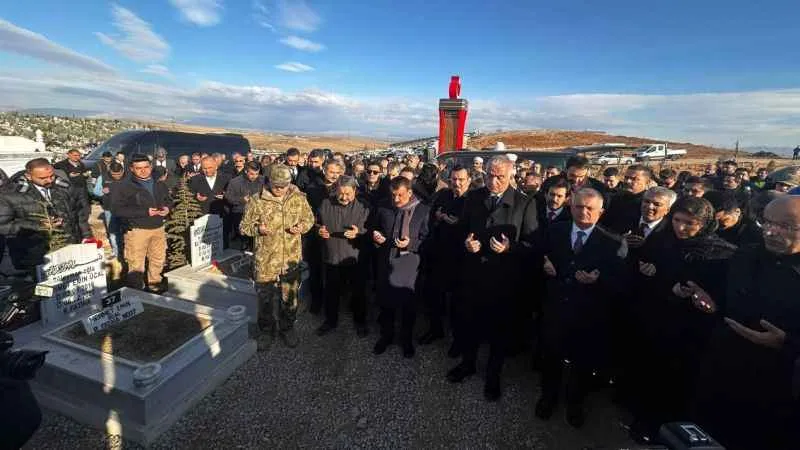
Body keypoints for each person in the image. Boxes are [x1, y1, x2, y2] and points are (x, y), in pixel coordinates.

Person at [685, 196, 800, 450]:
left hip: (778, 384)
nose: (771, 231)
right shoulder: (745, 255)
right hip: (724, 367)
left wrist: (786, 343)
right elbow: (727, 300)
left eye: (786, 226)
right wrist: (710, 303)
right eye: (767, 222)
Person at [626, 196, 736, 443]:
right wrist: (652, 277)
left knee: (680, 383)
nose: (681, 228)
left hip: (692, 333)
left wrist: (710, 301)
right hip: (656, 323)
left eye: (690, 223)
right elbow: (644, 277)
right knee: (651, 376)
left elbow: (729, 298)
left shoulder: (721, 254)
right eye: (677, 220)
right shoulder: (661, 241)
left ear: (705, 223)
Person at [446, 156, 538, 401]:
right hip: (474, 275)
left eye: (500, 177)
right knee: (470, 324)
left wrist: (510, 249)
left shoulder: (524, 203)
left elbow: (533, 244)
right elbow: (463, 228)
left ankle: (493, 376)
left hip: (503, 280)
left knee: (499, 331)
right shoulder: (474, 197)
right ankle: (468, 364)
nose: (493, 181)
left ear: (511, 177)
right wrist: (467, 242)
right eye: (489, 175)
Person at [535, 188, 625, 428]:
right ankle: (548, 397)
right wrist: (544, 265)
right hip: (556, 309)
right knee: (551, 358)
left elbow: (621, 282)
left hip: (588, 315)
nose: (583, 212)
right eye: (578, 207)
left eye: (590, 208)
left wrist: (599, 280)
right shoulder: (555, 231)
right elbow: (536, 255)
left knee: (581, 364)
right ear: (570, 206)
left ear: (601, 211)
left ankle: (575, 403)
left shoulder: (612, 242)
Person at [239, 164, 314, 350]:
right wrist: (257, 229)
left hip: (290, 259)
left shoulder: (298, 199)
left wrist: (301, 227)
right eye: (276, 186)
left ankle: (287, 328)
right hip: (266, 260)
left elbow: (310, 219)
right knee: (265, 298)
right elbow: (243, 227)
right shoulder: (257, 201)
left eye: (284, 185)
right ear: (269, 182)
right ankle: (266, 331)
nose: (280, 189)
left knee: (290, 297)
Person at [371, 176, 430, 358]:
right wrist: (376, 236)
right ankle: (386, 336)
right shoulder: (383, 206)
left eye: (400, 196)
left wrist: (410, 244)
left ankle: (406, 340)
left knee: (408, 306)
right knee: (386, 303)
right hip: (386, 262)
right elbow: (373, 227)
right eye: (393, 195)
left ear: (410, 192)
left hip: (409, 264)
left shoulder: (423, 209)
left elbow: (427, 238)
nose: (396, 200)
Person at [0, 158, 91, 272]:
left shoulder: (65, 187)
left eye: (51, 176)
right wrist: (38, 225)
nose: (49, 181)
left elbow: (79, 215)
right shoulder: (10, 195)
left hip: (68, 249)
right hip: (35, 257)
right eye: (42, 178)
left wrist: (86, 236)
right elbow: (3, 225)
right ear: (29, 176)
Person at [420, 165, 470, 351]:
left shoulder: (471, 199)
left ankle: (458, 340)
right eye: (453, 180)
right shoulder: (444, 195)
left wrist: (457, 224)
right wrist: (439, 218)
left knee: (458, 302)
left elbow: (472, 226)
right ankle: (435, 329)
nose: (456, 183)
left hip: (460, 258)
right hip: (438, 253)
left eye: (461, 180)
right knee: (434, 294)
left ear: (469, 180)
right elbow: (432, 216)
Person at [314, 176, 370, 337]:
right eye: (341, 194)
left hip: (354, 258)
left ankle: (360, 322)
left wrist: (359, 232)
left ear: (355, 192)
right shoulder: (325, 203)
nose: (344, 197)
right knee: (331, 292)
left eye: (348, 194)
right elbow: (315, 222)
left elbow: (372, 229)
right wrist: (318, 230)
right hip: (332, 256)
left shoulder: (364, 206)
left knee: (358, 293)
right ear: (335, 191)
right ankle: (331, 321)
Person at [110, 154, 171, 292]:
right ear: (131, 169)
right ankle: (136, 292)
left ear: (151, 166)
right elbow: (117, 209)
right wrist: (145, 211)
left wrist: (168, 208)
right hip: (137, 230)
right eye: (139, 168)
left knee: (158, 259)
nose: (143, 171)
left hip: (158, 228)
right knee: (136, 264)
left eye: (146, 167)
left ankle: (155, 285)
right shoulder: (123, 186)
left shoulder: (159, 183)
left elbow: (168, 199)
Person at [188, 156, 232, 246]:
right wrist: (196, 197)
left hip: (221, 216)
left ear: (216, 166)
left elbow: (233, 195)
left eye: (210, 168)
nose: (207, 171)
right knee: (204, 244)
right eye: (204, 168)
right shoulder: (195, 180)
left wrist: (225, 196)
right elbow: (189, 196)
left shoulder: (227, 178)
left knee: (222, 244)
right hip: (202, 216)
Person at [224, 162, 265, 251]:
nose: (254, 176)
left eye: (257, 174)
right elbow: (228, 198)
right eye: (252, 174)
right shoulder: (235, 182)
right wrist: (241, 200)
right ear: (246, 171)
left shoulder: (263, 180)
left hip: (259, 215)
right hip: (240, 213)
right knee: (244, 240)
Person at [602, 165, 652, 234]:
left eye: (634, 179)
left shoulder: (649, 204)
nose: (628, 181)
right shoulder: (614, 198)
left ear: (647, 182)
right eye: (626, 177)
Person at [94, 162, 127, 263]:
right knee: (113, 232)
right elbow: (96, 191)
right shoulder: (102, 177)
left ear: (122, 171)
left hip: (126, 208)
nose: (117, 177)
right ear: (110, 172)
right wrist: (102, 191)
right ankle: (117, 253)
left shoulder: (129, 176)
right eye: (114, 175)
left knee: (127, 231)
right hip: (110, 209)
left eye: (119, 174)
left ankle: (127, 252)